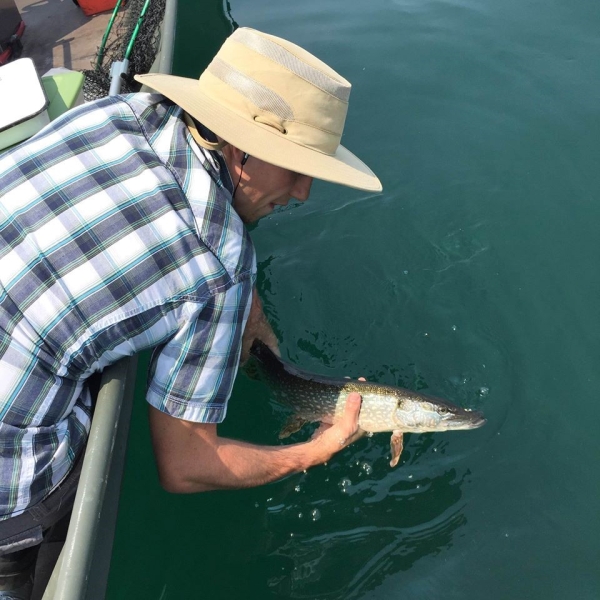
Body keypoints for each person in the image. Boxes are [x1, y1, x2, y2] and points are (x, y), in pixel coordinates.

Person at [0, 27, 382, 597]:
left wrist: (242, 303)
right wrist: (313, 451)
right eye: (295, 167)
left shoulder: (118, 113)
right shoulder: (219, 264)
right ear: (242, 150)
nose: (303, 192)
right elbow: (186, 467)